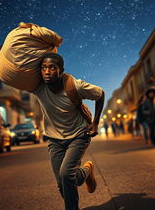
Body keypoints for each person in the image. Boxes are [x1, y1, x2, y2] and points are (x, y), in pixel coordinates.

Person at [30, 53, 105, 210]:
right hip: (54, 139)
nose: (47, 71)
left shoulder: (75, 86)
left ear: (61, 70)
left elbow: (100, 94)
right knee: (63, 182)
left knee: (66, 175)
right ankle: (86, 171)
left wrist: (96, 123)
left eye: (52, 67)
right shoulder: (38, 87)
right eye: (43, 68)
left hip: (79, 135)